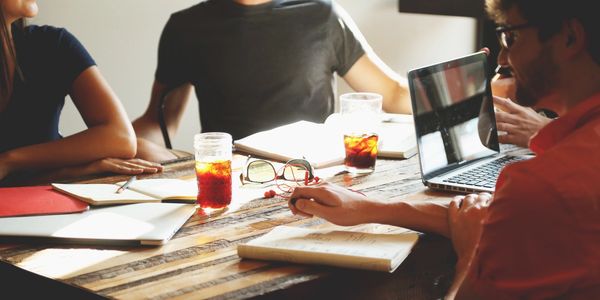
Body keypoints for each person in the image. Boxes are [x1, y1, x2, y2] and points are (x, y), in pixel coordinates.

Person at [288, 0, 600, 298]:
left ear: (570, 37)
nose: (504, 59)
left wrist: (470, 256)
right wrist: (372, 209)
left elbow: (519, 213)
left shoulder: (541, 188)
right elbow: (506, 218)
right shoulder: (558, 181)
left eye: (512, 36)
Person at [133, 0, 412, 162]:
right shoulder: (186, 27)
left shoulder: (322, 15)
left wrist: (452, 99)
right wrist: (127, 144)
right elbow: (160, 121)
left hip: (314, 175)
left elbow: (391, 94)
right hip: (235, 179)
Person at [0, 0, 162, 186]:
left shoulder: (51, 44)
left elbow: (121, 138)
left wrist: (9, 161)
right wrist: (67, 172)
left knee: (147, 151)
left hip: (48, 202)